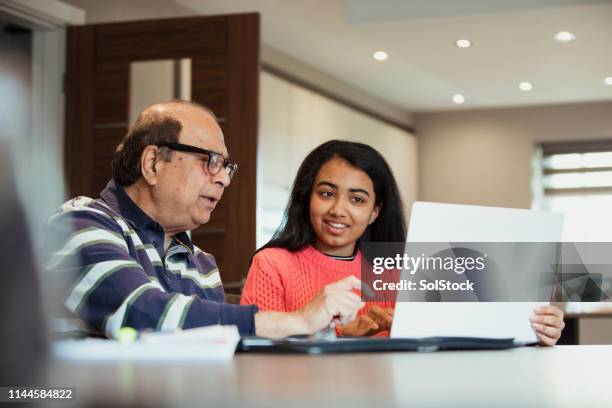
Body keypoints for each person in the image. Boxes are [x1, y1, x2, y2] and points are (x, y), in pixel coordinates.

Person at [44, 101, 363, 340]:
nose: (224, 178)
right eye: (211, 161)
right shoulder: (78, 224)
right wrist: (296, 321)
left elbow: (210, 345)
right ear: (153, 162)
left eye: (227, 167)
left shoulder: (200, 262)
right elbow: (140, 312)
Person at [241, 140, 565, 345]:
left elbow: (463, 331)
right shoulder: (273, 263)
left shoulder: (401, 267)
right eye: (326, 193)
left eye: (357, 199)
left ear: (374, 212)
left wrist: (533, 328)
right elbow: (255, 348)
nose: (338, 209)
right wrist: (339, 335)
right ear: (306, 197)